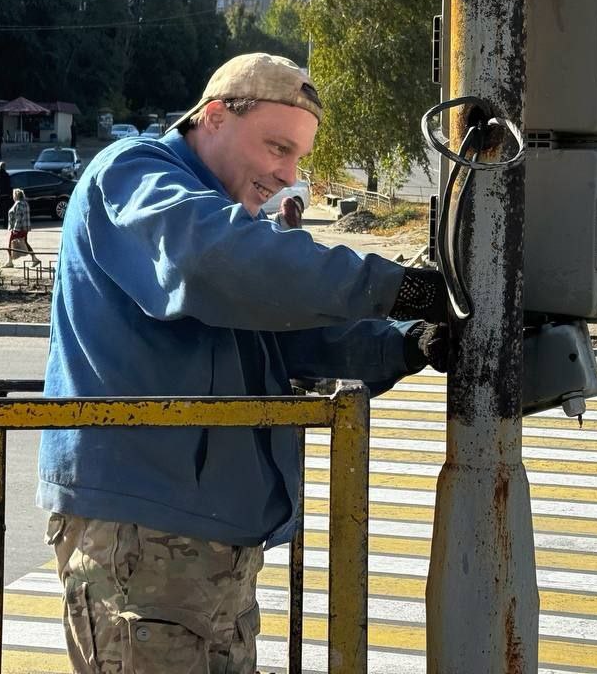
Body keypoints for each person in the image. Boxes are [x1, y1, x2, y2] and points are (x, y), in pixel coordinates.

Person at [38, 53, 449, 673]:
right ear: (213, 117)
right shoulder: (132, 174)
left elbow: (291, 337)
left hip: (210, 537)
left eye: (297, 159)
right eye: (276, 148)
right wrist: (397, 285)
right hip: (138, 530)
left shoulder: (226, 218)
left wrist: (406, 341)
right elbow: (207, 260)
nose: (287, 175)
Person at [4, 188, 41, 268]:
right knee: (25, 243)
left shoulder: (18, 204)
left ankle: (10, 262)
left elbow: (18, 218)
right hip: (25, 228)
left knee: (9, 244)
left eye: (13, 195)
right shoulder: (25, 203)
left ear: (16, 196)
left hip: (18, 228)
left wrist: (15, 230)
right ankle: (34, 259)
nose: (13, 197)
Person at [0, 161, 13, 227]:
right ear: (4, 167)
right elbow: (9, 185)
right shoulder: (6, 175)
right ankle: (5, 224)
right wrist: (10, 194)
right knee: (5, 210)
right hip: (5, 195)